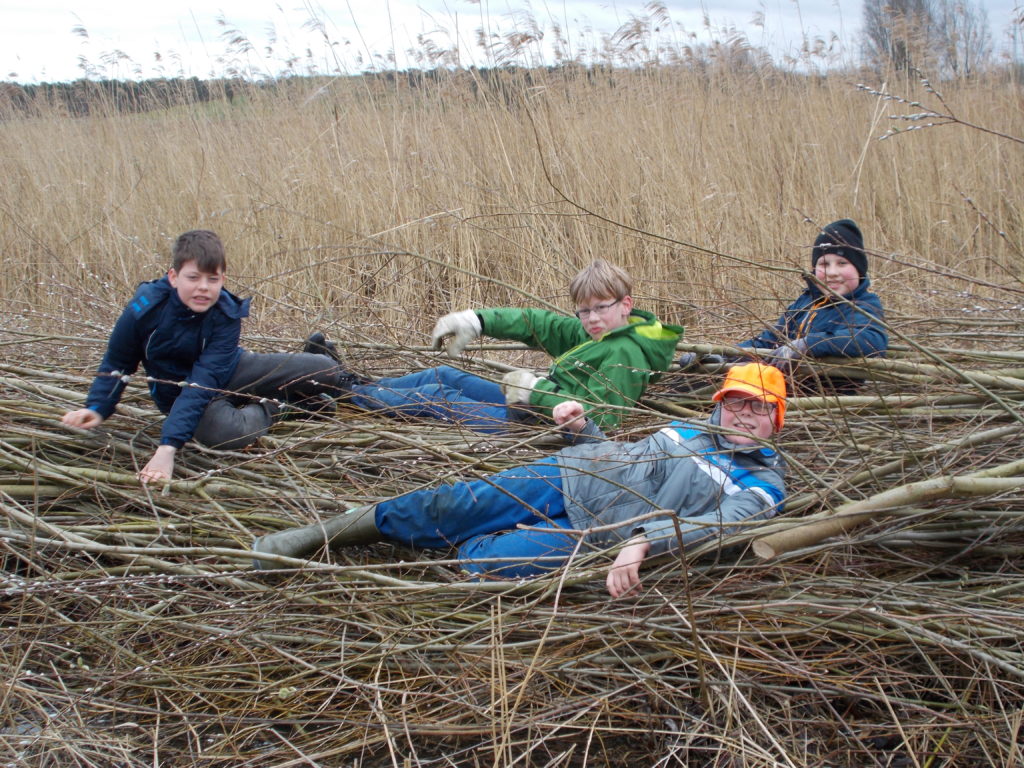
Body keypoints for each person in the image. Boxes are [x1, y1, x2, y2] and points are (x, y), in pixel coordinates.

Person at [252, 362, 787, 598]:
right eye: (735, 403)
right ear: (719, 406)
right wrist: (583, 429)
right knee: (450, 503)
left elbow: (718, 527)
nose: (743, 416)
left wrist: (644, 542)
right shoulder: (684, 430)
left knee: (486, 564)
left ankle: (456, 542)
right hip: (571, 472)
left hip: (596, 537)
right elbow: (623, 457)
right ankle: (324, 534)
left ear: (775, 420)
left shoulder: (761, 487)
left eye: (758, 409)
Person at [62, 229, 359, 484]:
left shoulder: (226, 312)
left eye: (212, 279)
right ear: (173, 276)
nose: (203, 287)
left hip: (225, 371)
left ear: (222, 279)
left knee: (328, 369)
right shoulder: (145, 309)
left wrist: (166, 449)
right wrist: (99, 408)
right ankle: (283, 407)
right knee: (224, 433)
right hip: (180, 394)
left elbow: (207, 375)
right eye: (193, 278)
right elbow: (118, 362)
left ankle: (306, 375)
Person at [337, 260, 682, 433]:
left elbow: (604, 423)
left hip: (538, 430)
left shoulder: (625, 352)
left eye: (601, 307)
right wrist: (478, 320)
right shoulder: (599, 334)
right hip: (529, 409)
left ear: (625, 304)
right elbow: (536, 323)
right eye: (584, 310)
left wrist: (538, 391)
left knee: (443, 398)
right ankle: (357, 385)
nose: (591, 318)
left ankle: (343, 398)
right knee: (445, 375)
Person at [679, 219, 887, 383]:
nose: (832, 272)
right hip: (780, 385)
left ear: (859, 269)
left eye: (842, 263)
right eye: (824, 264)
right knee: (695, 384)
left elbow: (870, 340)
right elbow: (767, 342)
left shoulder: (865, 305)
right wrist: (721, 355)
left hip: (823, 401)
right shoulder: (805, 303)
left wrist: (807, 344)